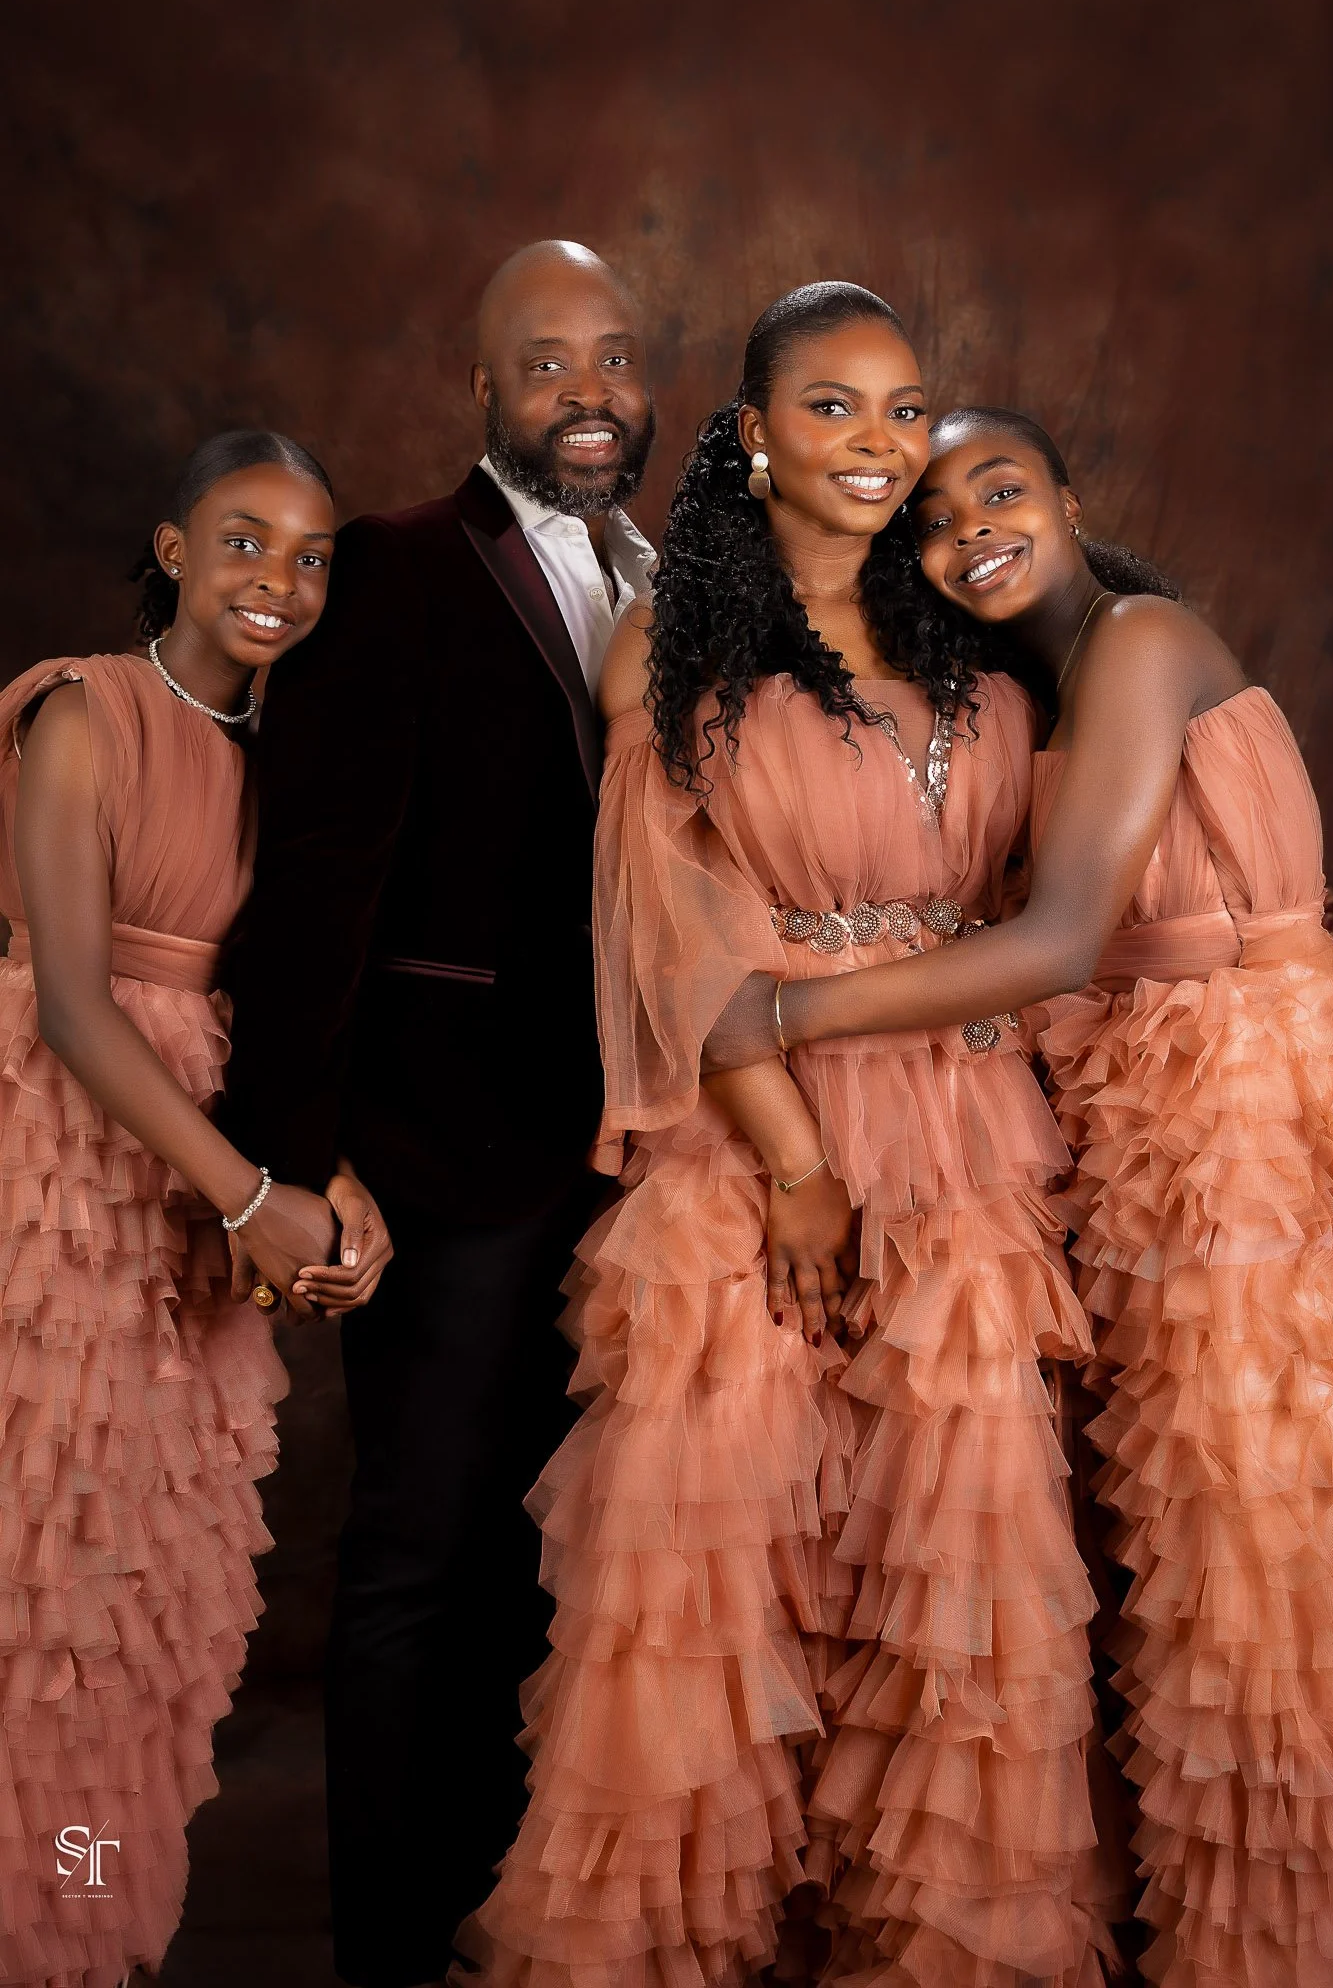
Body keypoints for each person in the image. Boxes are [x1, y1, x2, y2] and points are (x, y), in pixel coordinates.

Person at [469, 290, 1112, 1987]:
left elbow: (1053, 898)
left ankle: (925, 1944)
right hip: (760, 1139)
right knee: (716, 1561)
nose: (884, 447)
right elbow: (674, 937)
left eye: (908, 413)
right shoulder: (673, 644)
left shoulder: (975, 641)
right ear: (753, 432)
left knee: (950, 1546)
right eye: (836, 410)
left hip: (970, 1139)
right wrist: (804, 1175)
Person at [705, 405, 1333, 1984]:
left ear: (1068, 497)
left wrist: (777, 1017)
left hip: (1245, 1112)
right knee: (1174, 1534)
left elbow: (1065, 936)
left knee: (1251, 1530)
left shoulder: (1138, 641)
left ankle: (1285, 1945)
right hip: (1154, 1099)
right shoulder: (1033, 697)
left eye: (1001, 488)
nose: (970, 527)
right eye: (932, 516)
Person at [218, 241, 657, 1988]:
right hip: (441, 1147)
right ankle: (388, 1954)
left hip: (635, 1158)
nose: (589, 392)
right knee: (419, 1553)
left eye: (615, 357)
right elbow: (320, 878)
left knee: (558, 1564)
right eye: (548, 364)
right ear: (485, 390)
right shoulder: (397, 570)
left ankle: (509, 1930)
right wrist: (294, 1153)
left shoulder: (676, 574)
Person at [0, 430, 389, 1988]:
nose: (276, 583)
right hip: (65, 1178)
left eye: (308, 560)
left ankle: (86, 1926)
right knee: (53, 1585)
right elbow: (78, 1011)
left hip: (213, 1178)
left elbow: (294, 1003)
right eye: (243, 542)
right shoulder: (80, 711)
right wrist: (250, 1197)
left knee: (146, 1597)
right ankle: (35, 1936)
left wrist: (319, 1181)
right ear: (171, 547)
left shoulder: (295, 755)